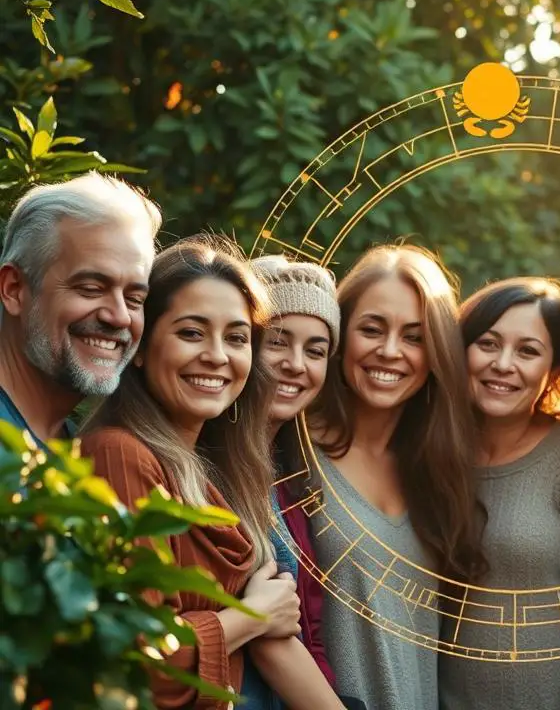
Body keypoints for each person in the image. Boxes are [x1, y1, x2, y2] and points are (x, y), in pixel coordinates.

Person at [81, 236, 298, 710]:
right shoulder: (118, 455)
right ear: (138, 347)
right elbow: (142, 660)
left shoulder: (218, 469)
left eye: (237, 337)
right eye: (191, 333)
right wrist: (254, 615)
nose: (218, 355)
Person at [307, 244, 487, 710]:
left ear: (436, 355)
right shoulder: (292, 451)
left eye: (414, 337)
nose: (390, 352)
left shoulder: (438, 470)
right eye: (372, 329)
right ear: (340, 335)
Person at [438, 277, 560, 710]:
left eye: (528, 351)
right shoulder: (433, 456)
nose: (504, 364)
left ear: (556, 367)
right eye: (488, 344)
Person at [241, 255, 356, 709]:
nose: (295, 364)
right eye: (277, 342)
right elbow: (268, 637)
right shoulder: (216, 467)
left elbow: (309, 622)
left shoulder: (289, 473)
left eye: (315, 350)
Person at [0, 173, 160, 445]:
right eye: (91, 288)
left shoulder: (79, 451)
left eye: (134, 299)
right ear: (14, 289)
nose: (120, 316)